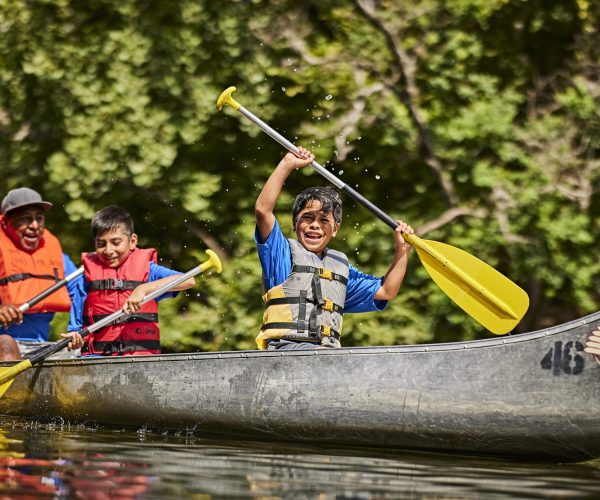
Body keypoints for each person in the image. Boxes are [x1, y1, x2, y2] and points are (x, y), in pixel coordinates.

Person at [254, 147, 414, 350]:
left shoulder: (339, 270)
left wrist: (402, 249)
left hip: (326, 357)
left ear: (335, 229)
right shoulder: (281, 253)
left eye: (324, 221)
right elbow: (263, 210)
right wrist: (287, 164)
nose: (315, 225)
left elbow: (386, 291)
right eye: (307, 218)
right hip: (285, 351)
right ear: (295, 224)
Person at [66, 205, 195, 356]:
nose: (108, 250)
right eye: (101, 244)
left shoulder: (149, 270)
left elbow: (188, 280)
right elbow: (75, 331)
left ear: (132, 241)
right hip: (98, 361)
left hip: (140, 362)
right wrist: (75, 340)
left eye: (116, 242)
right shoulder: (85, 276)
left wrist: (143, 289)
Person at [0, 187, 81, 360]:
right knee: (6, 344)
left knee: (86, 353)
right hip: (4, 344)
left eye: (39, 218)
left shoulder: (58, 258)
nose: (34, 226)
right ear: (6, 222)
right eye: (25, 219)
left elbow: (82, 293)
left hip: (40, 347)